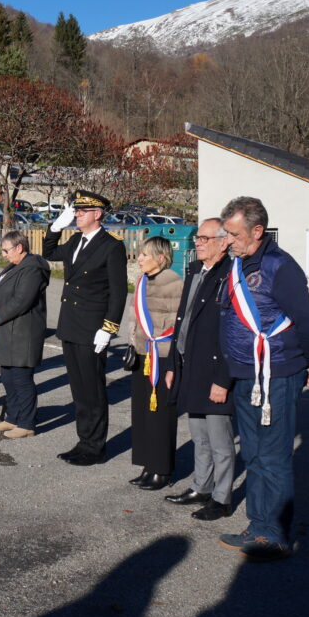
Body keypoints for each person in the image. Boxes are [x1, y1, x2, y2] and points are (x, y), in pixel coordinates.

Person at [217, 196, 309, 563]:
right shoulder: (239, 265)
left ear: (257, 231)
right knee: (254, 454)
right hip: (245, 374)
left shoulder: (281, 267)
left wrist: (300, 363)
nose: (227, 240)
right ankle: (257, 525)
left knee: (274, 455)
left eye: (233, 233)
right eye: (226, 233)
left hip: (275, 374)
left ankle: (275, 534)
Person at [43, 190, 128, 466]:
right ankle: (83, 442)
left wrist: (109, 327)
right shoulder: (76, 239)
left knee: (93, 391)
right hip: (71, 325)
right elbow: (49, 252)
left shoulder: (111, 246)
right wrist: (56, 226)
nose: (77, 215)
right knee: (79, 390)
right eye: (76, 211)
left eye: (81, 211)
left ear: (97, 214)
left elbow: (118, 293)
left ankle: (95, 447)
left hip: (93, 329)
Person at [164, 218, 235, 520]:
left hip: (215, 369)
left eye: (205, 238)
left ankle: (222, 498)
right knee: (199, 435)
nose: (198, 242)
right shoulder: (195, 270)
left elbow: (234, 333)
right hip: (190, 364)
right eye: (197, 237)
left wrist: (223, 379)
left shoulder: (231, 273)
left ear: (223, 242)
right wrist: (172, 364)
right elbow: (182, 319)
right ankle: (201, 486)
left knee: (220, 440)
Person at [123, 236, 184, 490]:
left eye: (145, 255)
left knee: (160, 415)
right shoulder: (141, 281)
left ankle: (162, 468)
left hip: (161, 354)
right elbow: (134, 316)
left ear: (161, 257)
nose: (140, 259)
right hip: (142, 353)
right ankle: (147, 464)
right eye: (140, 254)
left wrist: (169, 355)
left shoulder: (174, 283)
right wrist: (132, 341)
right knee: (143, 413)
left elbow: (176, 324)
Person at [0, 230, 50, 438]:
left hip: (23, 332)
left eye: (6, 250)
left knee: (21, 379)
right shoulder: (14, 265)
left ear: (19, 247)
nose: (3, 254)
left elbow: (23, 300)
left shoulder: (33, 269)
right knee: (8, 377)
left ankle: (27, 423)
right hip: (7, 331)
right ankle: (12, 418)